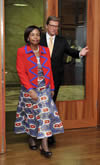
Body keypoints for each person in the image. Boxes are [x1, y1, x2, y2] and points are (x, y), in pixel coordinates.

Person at [14, 25, 64, 158]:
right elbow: (21, 71)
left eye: (37, 34)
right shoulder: (22, 51)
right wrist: (30, 90)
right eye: (32, 35)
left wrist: (52, 87)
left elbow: (49, 70)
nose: (35, 37)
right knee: (30, 113)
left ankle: (44, 144)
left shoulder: (45, 50)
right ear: (27, 37)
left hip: (44, 88)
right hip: (29, 88)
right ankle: (31, 138)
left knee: (44, 115)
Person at [40, 16, 89, 144]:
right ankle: (37, 133)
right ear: (46, 26)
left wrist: (79, 53)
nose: (54, 28)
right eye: (52, 25)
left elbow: (69, 51)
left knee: (50, 105)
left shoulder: (62, 41)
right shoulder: (38, 38)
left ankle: (48, 134)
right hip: (39, 78)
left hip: (55, 78)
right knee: (39, 106)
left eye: (56, 26)